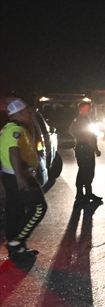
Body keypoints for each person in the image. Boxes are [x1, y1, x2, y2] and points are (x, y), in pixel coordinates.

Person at [1, 98, 47, 258]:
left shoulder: (12, 127)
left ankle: (17, 246)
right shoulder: (15, 130)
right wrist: (21, 176)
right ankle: (17, 242)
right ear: (19, 113)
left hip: (11, 175)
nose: (30, 113)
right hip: (18, 176)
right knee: (39, 208)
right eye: (27, 111)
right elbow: (13, 151)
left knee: (16, 210)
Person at [69, 101, 103, 207]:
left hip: (86, 148)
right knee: (84, 171)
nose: (90, 110)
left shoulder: (84, 120)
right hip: (84, 149)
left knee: (89, 171)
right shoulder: (80, 120)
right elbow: (74, 131)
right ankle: (80, 195)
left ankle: (88, 193)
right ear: (83, 109)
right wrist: (82, 139)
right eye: (89, 109)